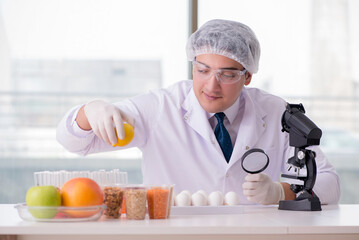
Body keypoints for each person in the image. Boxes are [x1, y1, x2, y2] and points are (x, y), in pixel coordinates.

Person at [57, 19, 340, 205]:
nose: (211, 85)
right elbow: (74, 142)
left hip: (253, 235)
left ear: (248, 77)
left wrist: (283, 192)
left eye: (227, 74)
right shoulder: (161, 107)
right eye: (202, 70)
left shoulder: (275, 112)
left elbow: (329, 182)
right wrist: (89, 111)